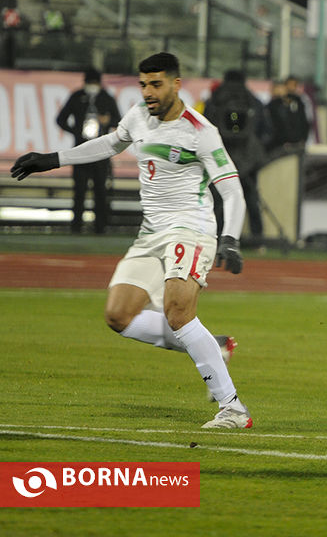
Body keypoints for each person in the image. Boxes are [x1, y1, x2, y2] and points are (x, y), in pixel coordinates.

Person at [10, 52, 252, 429]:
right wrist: (54, 158)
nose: (148, 92)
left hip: (190, 229)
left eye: (156, 84)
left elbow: (232, 189)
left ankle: (233, 408)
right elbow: (111, 143)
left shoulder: (199, 131)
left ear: (176, 84)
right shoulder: (139, 115)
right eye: (143, 85)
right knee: (118, 315)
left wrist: (230, 238)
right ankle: (214, 345)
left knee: (178, 312)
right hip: (150, 234)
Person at [204, 69, 270, 243]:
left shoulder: (215, 100)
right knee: (251, 197)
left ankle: (216, 237)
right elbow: (266, 129)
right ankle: (257, 239)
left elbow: (204, 129)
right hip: (248, 157)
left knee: (218, 198)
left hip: (221, 157)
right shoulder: (252, 101)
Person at [55, 68, 122, 234]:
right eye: (90, 82)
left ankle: (100, 227)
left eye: (94, 83)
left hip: (101, 151)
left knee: (100, 191)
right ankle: (76, 227)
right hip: (81, 151)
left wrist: (107, 121)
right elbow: (60, 119)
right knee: (79, 190)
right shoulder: (77, 97)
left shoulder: (106, 98)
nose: (92, 86)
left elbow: (118, 120)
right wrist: (76, 131)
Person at [266, 77, 310, 153]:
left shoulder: (297, 102)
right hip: (280, 145)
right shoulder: (272, 106)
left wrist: (303, 139)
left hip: (294, 143)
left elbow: (303, 121)